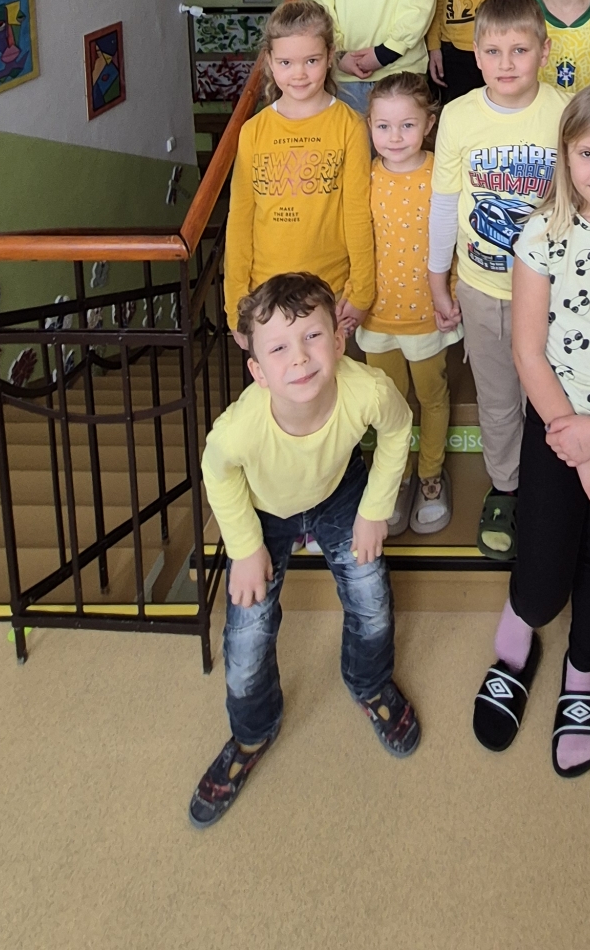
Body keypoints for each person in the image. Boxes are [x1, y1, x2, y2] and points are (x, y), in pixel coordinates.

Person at [471, 84, 590, 774]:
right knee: (542, 565)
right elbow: (528, 351)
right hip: (556, 424)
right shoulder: (540, 234)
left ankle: (581, 671)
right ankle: (519, 630)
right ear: (565, 155)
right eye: (587, 154)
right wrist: (579, 445)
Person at [188, 272, 420, 826]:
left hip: (339, 490)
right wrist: (245, 548)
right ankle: (251, 732)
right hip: (263, 509)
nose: (299, 357)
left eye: (313, 336)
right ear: (257, 371)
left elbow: (398, 429)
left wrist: (374, 509)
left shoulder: (367, 390)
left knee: (371, 597)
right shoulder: (238, 430)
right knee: (247, 632)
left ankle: (369, 682)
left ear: (339, 341)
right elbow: (216, 472)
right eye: (277, 348)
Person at [430, 0, 566, 560]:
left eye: (520, 50)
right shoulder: (459, 116)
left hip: (554, 294)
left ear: (544, 51)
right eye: (493, 51)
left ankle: (547, 486)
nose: (506, 63)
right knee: (498, 398)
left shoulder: (565, 112)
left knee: (549, 396)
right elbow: (444, 203)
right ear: (476, 54)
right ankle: (506, 487)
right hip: (482, 289)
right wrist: (438, 279)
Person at [223, 1, 375, 330]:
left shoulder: (350, 126)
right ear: (269, 62)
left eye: (311, 61)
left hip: (331, 292)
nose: (299, 73)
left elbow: (358, 214)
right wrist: (235, 306)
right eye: (286, 62)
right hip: (264, 296)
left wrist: (362, 293)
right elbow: (240, 221)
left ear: (330, 56)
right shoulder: (253, 131)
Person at [359, 74, 458, 538]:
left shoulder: (442, 173)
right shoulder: (364, 176)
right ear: (369, 125)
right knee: (389, 405)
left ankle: (430, 475)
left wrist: (451, 291)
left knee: (431, 398)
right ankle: (395, 478)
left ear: (429, 124)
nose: (394, 137)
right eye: (383, 126)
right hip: (377, 316)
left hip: (426, 315)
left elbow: (457, 236)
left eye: (407, 125)